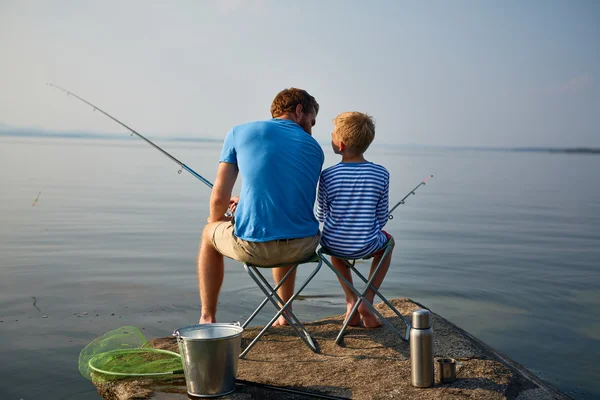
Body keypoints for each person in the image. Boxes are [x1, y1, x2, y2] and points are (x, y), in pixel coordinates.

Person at [197, 88, 324, 325]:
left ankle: (208, 317)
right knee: (289, 224)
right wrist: (245, 202)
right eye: (311, 120)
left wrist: (216, 219)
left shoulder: (239, 132)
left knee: (208, 234)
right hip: (303, 248)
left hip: (253, 248)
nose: (311, 128)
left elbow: (218, 198)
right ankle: (285, 312)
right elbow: (290, 199)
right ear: (299, 111)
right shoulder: (315, 148)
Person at [315, 111, 392, 328]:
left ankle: (350, 300)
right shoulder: (381, 174)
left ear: (340, 145)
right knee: (389, 244)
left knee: (335, 249)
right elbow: (381, 217)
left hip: (334, 245)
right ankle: (367, 299)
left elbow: (321, 215)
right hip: (367, 245)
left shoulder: (327, 175)